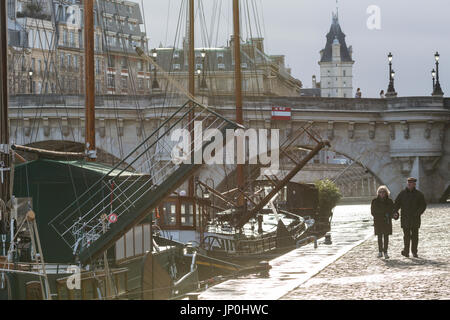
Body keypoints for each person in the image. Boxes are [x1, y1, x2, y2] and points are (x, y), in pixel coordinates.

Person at [393, 177, 427, 258]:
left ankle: (414, 252)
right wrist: (395, 212)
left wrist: (418, 213)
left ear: (414, 184)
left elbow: (423, 205)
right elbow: (396, 204)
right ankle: (406, 251)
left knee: (415, 236)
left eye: (411, 183)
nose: (409, 184)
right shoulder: (402, 194)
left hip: (415, 218)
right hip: (405, 218)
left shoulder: (419, 194)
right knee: (406, 236)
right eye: (408, 183)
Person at [371, 186, 394, 259]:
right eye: (380, 192)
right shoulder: (374, 201)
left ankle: (385, 252)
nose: (382, 193)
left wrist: (390, 215)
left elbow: (392, 211)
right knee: (379, 237)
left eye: (383, 192)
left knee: (386, 237)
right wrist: (382, 214)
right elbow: (373, 212)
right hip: (378, 221)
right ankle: (380, 251)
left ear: (386, 193)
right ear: (378, 193)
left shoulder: (390, 201)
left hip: (386, 221)